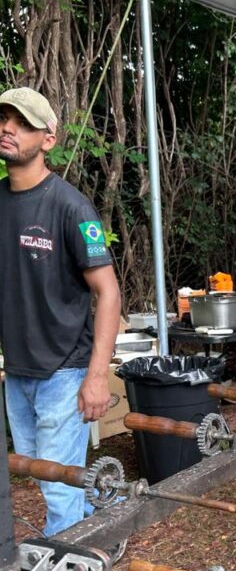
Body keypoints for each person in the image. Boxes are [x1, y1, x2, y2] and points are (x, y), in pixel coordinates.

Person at [0, 86, 121, 535]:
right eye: (5, 118)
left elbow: (108, 293)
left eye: (23, 123)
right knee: (40, 473)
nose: (8, 128)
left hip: (64, 371)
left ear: (48, 138)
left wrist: (95, 376)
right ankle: (105, 518)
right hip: (19, 372)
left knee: (57, 488)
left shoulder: (72, 207)